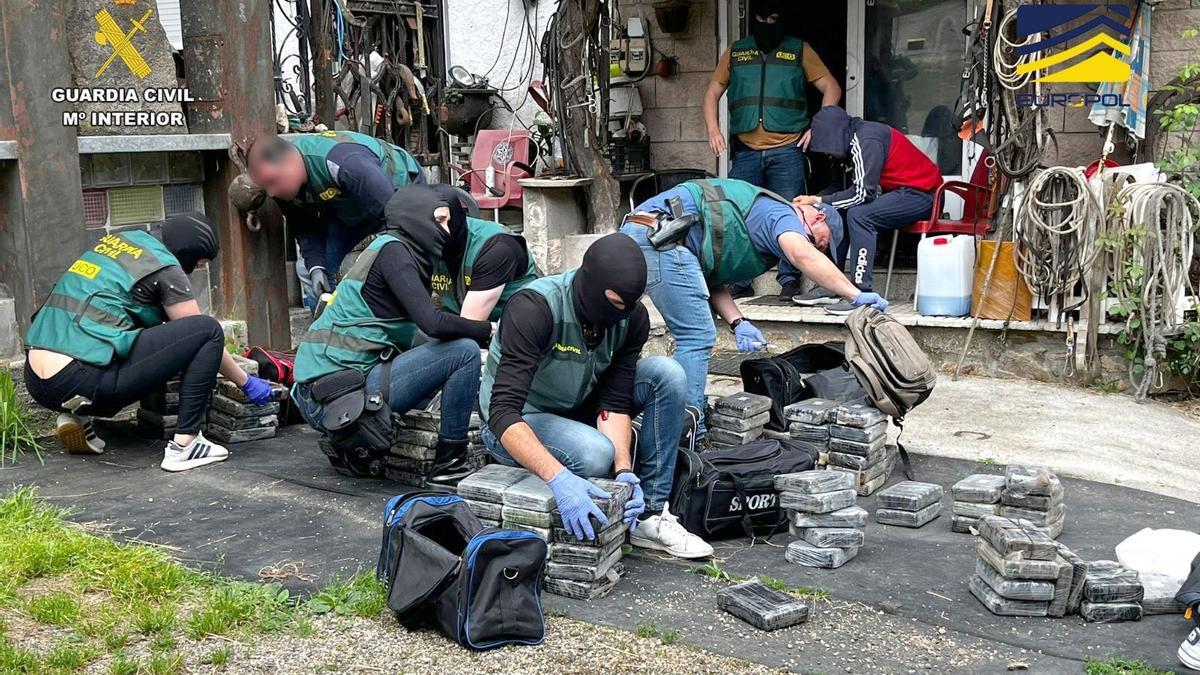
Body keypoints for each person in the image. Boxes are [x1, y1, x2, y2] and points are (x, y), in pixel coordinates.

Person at [478, 234, 713, 559]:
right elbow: (502, 412)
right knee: (593, 454)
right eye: (617, 304)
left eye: (630, 305)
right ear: (592, 287)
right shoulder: (534, 309)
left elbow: (614, 400)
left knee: (666, 374)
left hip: (578, 406)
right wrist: (558, 479)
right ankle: (588, 468)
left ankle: (649, 514)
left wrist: (623, 472)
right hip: (516, 421)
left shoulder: (631, 318)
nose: (623, 313)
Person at [621, 178, 887, 439]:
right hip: (661, 236)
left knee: (630, 328)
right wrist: (854, 293)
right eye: (823, 242)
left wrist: (738, 322)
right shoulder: (783, 216)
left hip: (644, 233)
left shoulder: (759, 222)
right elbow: (802, 255)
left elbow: (710, 282)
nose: (819, 248)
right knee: (697, 336)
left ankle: (656, 411)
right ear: (818, 219)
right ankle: (690, 430)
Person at [23, 214, 275, 472]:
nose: (195, 269)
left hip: (37, 381)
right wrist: (245, 381)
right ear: (188, 251)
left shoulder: (116, 243)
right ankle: (186, 445)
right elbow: (199, 335)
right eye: (198, 262)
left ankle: (76, 412)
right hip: (83, 379)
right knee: (207, 330)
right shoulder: (164, 267)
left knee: (108, 337)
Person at [291, 194, 493, 483]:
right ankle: (450, 463)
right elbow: (433, 324)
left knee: (439, 370)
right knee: (464, 353)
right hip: (334, 397)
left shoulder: (388, 251)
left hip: (327, 393)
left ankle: (349, 445)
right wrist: (488, 330)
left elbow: (419, 337)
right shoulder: (395, 253)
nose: (445, 231)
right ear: (415, 217)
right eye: (438, 221)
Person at [702, 0, 842, 301]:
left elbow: (831, 86)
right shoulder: (737, 52)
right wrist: (713, 130)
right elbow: (712, 93)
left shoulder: (798, 50)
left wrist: (819, 126)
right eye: (761, 18)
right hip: (746, 151)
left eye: (773, 18)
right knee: (737, 216)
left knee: (792, 213)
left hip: (787, 150)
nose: (767, 23)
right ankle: (740, 280)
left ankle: (789, 280)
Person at [246, 130, 425, 309]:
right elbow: (303, 227)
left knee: (392, 271)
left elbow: (391, 215)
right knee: (326, 277)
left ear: (290, 160)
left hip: (396, 193)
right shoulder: (283, 188)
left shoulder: (346, 163)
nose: (271, 192)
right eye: (266, 186)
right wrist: (317, 267)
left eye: (272, 182)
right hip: (347, 206)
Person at [791, 106, 943, 314]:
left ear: (834, 135)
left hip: (924, 196)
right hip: (900, 193)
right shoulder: (849, 138)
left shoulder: (867, 140)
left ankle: (860, 293)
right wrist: (815, 203)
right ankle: (832, 284)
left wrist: (816, 199)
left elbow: (863, 194)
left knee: (859, 215)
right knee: (838, 210)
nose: (826, 151)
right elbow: (840, 191)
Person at [385, 184, 540, 322]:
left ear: (455, 216)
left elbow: (470, 324)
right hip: (462, 323)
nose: (440, 229)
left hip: (517, 329)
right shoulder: (423, 242)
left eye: (443, 219)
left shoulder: (497, 247)